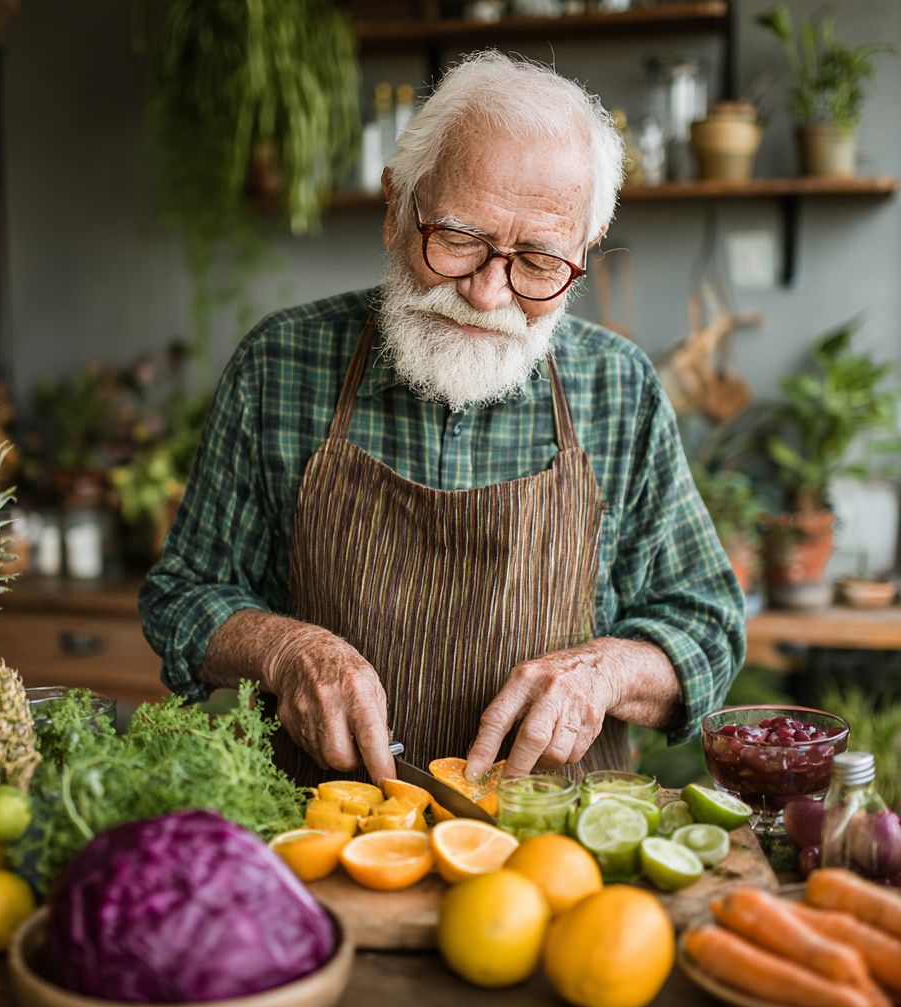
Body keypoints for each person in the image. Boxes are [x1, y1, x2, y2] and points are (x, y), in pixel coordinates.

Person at [140, 52, 746, 788]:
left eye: (538, 261)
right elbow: (183, 594)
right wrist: (285, 650)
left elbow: (708, 622)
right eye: (458, 239)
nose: (490, 294)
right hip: (323, 838)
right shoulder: (280, 364)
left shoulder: (619, 387)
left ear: (587, 246)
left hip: (552, 857)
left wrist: (605, 672)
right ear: (396, 206)